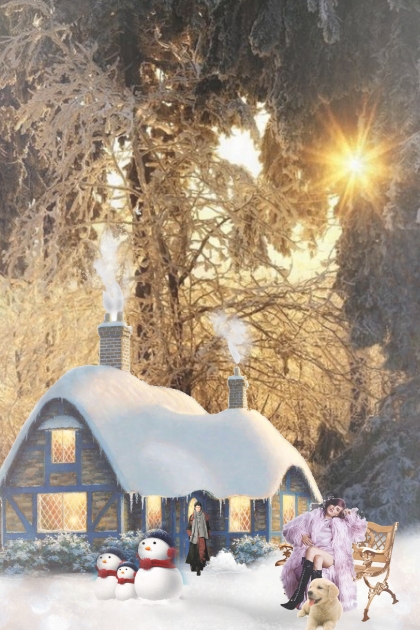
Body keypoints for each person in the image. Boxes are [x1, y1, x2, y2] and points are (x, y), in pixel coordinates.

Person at [280, 497, 367, 612]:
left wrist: (350, 516)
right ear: (329, 503)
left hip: (332, 556)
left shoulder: (341, 523)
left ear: (339, 513)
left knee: (311, 550)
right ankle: (318, 600)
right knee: (317, 558)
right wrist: (301, 535)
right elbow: (289, 529)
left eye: (338, 509)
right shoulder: (312, 517)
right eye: (333, 506)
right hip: (316, 556)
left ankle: (298, 595)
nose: (334, 509)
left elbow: (359, 531)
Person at [186, 501, 210, 576]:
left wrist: (207, 535)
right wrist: (190, 535)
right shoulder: (192, 517)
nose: (198, 508)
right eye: (197, 507)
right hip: (194, 537)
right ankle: (195, 567)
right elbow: (188, 527)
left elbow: (208, 527)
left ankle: (200, 568)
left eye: (199, 507)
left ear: (201, 508)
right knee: (194, 553)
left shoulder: (204, 516)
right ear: (194, 508)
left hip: (202, 537)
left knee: (201, 552)